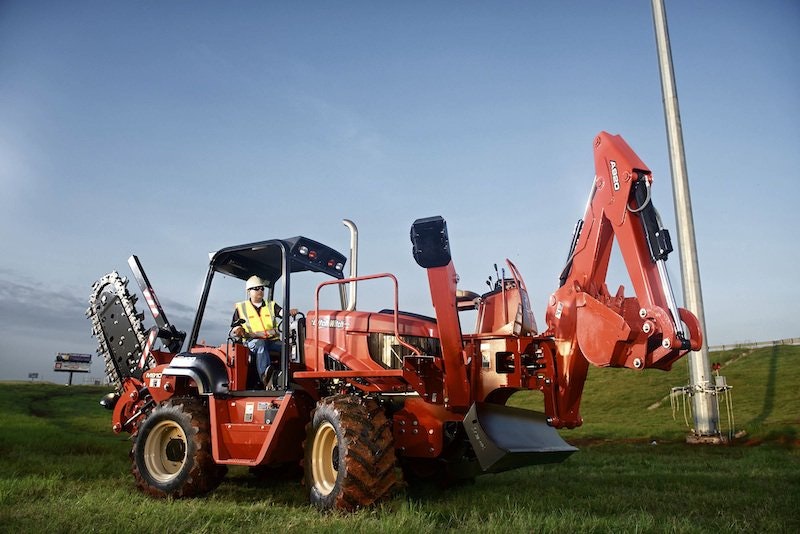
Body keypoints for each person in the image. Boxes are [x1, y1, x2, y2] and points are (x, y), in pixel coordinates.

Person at [232, 275, 282, 388]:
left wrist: (289, 312)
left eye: (262, 288)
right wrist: (239, 330)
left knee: (288, 347)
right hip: (251, 342)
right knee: (261, 344)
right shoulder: (241, 308)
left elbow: (282, 312)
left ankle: (286, 377)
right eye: (257, 288)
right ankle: (266, 377)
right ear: (249, 291)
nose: (260, 290)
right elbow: (235, 327)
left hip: (272, 341)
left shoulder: (271, 305)